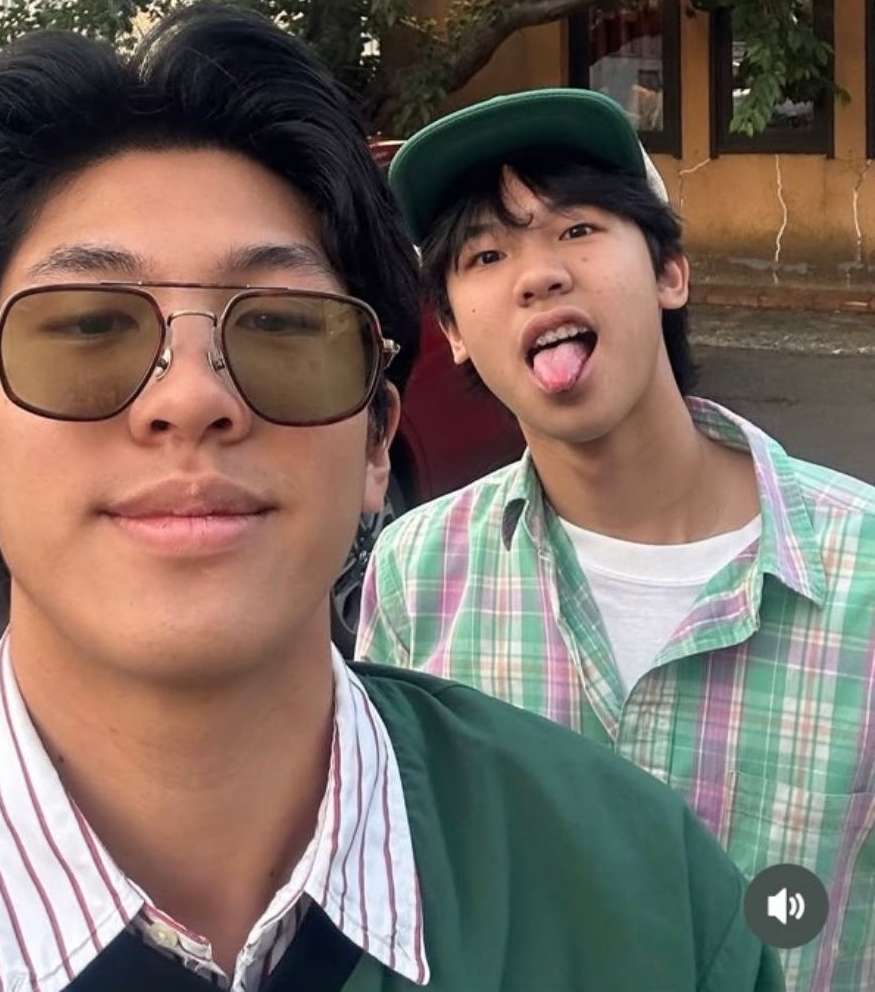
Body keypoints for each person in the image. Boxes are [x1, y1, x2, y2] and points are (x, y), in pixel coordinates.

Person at [0, 12, 780, 990]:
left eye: (280, 327)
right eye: (84, 329)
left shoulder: (638, 891)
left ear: (376, 439)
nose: (190, 397)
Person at [357, 87, 875, 992]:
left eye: (578, 229)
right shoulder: (416, 573)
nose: (537, 275)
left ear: (670, 271)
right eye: (486, 254)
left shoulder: (862, 569)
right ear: (454, 332)